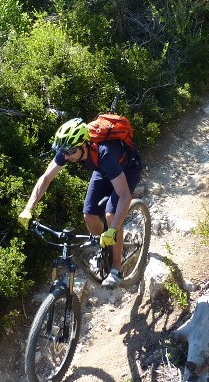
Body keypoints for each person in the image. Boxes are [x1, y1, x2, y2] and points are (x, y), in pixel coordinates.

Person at [19, 117, 144, 288]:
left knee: (110, 214)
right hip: (103, 170)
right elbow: (46, 178)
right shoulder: (68, 150)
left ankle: (117, 267)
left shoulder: (104, 154)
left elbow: (124, 196)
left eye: (70, 152)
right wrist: (28, 208)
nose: (66, 156)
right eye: (64, 152)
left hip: (128, 169)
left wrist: (113, 228)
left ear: (84, 144)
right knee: (89, 215)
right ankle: (105, 248)